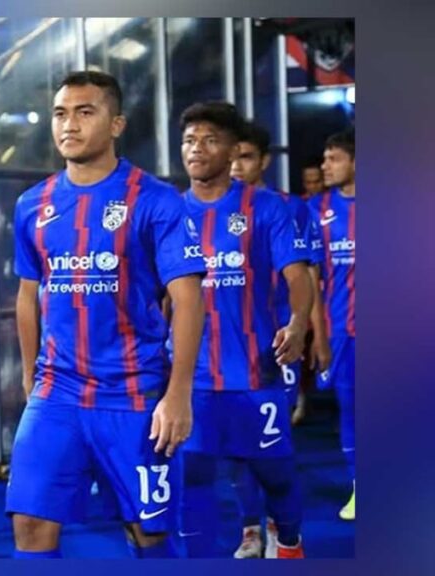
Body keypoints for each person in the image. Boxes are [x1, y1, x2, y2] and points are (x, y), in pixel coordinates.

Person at [8, 70, 206, 559]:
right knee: (30, 524)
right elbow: (28, 296)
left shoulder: (156, 200)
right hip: (57, 392)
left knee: (149, 534)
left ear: (116, 124)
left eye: (84, 112)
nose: (69, 124)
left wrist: (179, 394)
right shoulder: (32, 205)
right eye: (60, 113)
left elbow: (188, 300)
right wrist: (31, 376)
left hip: (134, 395)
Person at [177, 102, 313, 559]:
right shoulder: (170, 212)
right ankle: (224, 545)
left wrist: (298, 323)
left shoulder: (266, 207)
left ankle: (288, 540)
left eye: (209, 140)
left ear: (234, 150)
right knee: (193, 475)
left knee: (274, 473)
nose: (196, 149)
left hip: (256, 372)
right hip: (193, 378)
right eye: (189, 140)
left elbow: (298, 276)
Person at [228, 121, 329, 557]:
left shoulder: (290, 208)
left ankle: (279, 525)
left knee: (272, 443)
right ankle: (250, 527)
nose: (236, 165)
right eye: (231, 156)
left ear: (265, 160)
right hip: (228, 349)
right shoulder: (206, 208)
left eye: (246, 156)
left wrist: (313, 334)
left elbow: (309, 277)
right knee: (236, 447)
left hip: (277, 345)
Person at [309, 129, 356, 522]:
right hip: (342, 330)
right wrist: (319, 335)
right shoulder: (317, 210)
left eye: (334, 158)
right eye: (325, 158)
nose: (325, 166)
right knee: (351, 410)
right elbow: (313, 279)